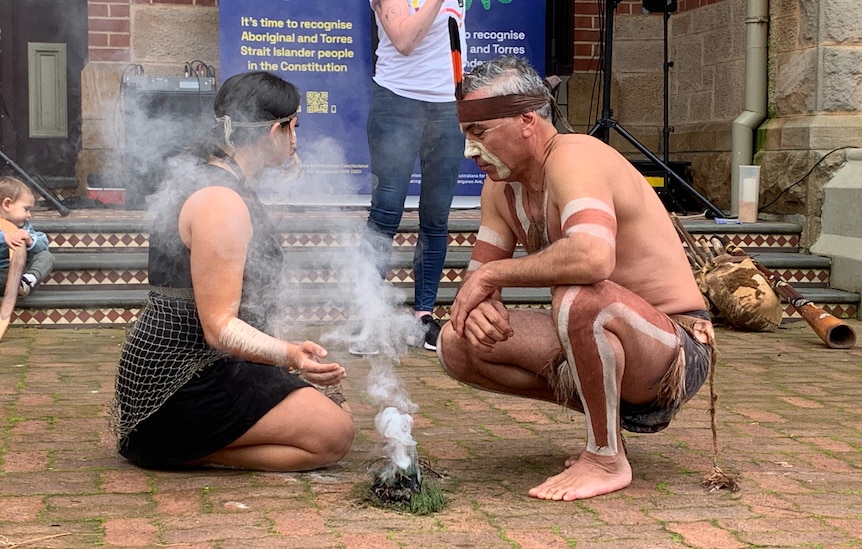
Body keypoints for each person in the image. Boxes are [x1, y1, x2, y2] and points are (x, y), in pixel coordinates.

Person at [437, 56, 716, 501]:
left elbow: (592, 258)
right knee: (458, 341)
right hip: (602, 336)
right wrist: (480, 302)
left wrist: (492, 276)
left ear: (528, 120)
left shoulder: (576, 156)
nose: (470, 151)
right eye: (466, 135)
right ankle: (603, 427)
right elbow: (478, 282)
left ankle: (606, 458)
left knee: (581, 295)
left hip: (673, 349)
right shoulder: (500, 188)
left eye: (480, 133)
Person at [112, 71, 354, 471]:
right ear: (274, 130)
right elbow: (219, 327)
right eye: (293, 127)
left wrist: (283, 351)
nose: (296, 140)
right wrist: (289, 355)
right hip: (180, 381)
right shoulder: (219, 200)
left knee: (332, 408)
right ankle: (170, 447)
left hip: (208, 366)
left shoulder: (220, 183)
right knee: (333, 434)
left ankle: (174, 444)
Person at [357, 0, 466, 352]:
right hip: (397, 104)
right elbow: (404, 41)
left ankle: (424, 317)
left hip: (448, 109)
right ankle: (369, 316)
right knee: (386, 211)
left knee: (436, 217)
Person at [0, 176, 55, 297]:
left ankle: (27, 281)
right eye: (26, 209)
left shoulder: (25, 228)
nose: (29, 215)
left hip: (20, 275)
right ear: (7, 204)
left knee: (46, 256)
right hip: (2, 276)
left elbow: (43, 243)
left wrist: (30, 241)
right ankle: (15, 285)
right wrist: (4, 237)